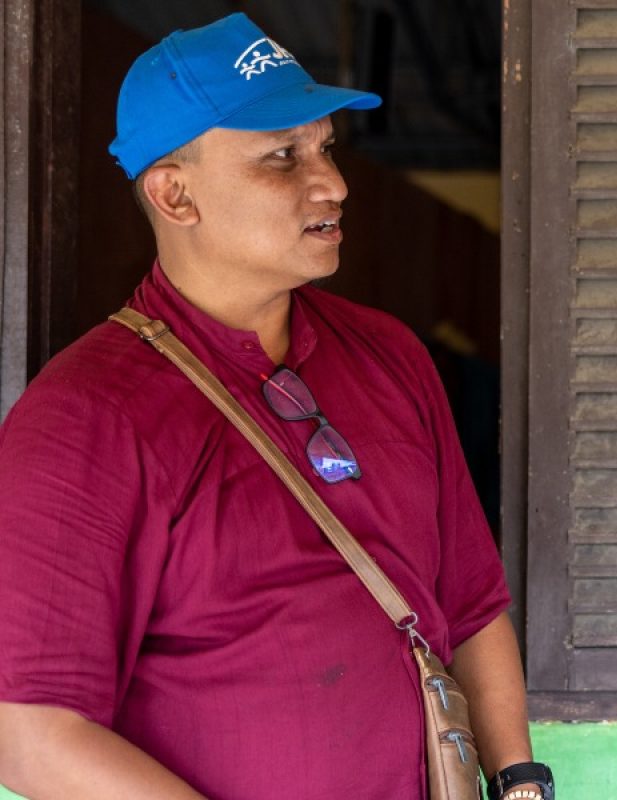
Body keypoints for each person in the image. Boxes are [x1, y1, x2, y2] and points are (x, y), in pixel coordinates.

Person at [0, 14, 552, 800]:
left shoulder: (388, 356)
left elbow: (469, 602)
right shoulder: (86, 417)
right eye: (281, 157)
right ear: (175, 194)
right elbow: (34, 737)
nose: (332, 182)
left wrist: (520, 780)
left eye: (324, 146)